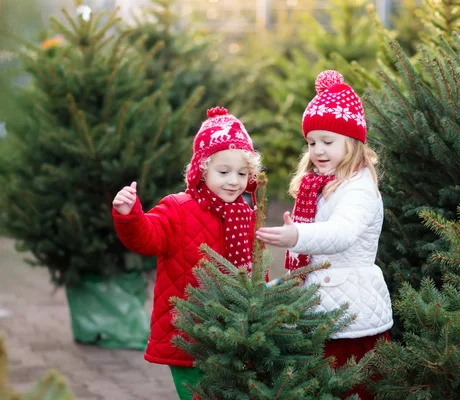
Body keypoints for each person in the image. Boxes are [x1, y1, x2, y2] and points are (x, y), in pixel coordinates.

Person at [256, 70, 393, 399]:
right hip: (321, 310)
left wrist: (297, 236)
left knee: (353, 388)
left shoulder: (359, 187)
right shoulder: (319, 184)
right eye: (312, 142)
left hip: (352, 316)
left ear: (353, 141)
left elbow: (342, 233)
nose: (318, 150)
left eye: (328, 141)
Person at [112, 106, 261, 400]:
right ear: (202, 170)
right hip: (189, 334)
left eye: (242, 173)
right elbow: (148, 237)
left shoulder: (247, 214)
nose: (234, 180)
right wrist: (130, 215)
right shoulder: (178, 208)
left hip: (237, 333)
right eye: (224, 171)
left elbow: (257, 268)